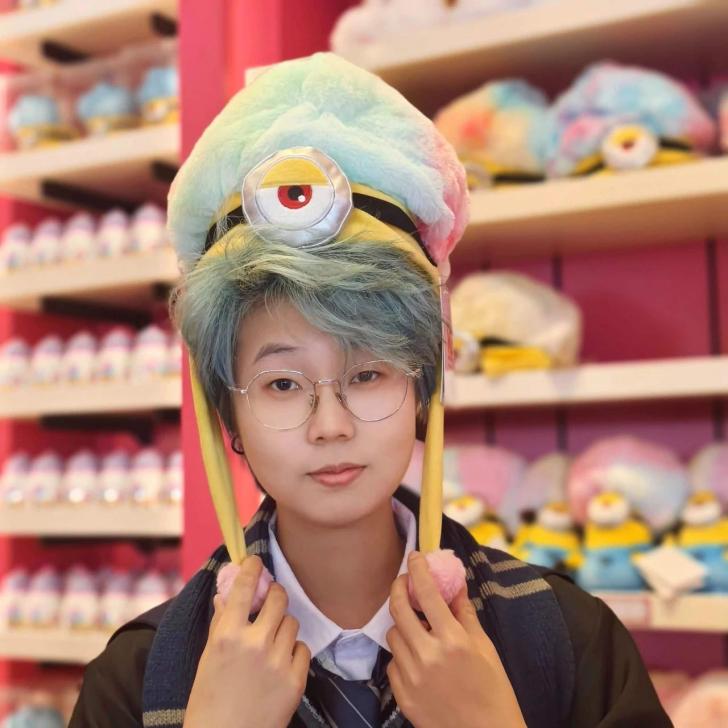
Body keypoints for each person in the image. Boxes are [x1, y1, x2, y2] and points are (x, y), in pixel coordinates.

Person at [69, 52, 671, 728]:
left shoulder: (569, 642)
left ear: (424, 383)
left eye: (368, 374)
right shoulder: (135, 681)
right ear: (225, 410)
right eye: (282, 383)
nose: (331, 424)